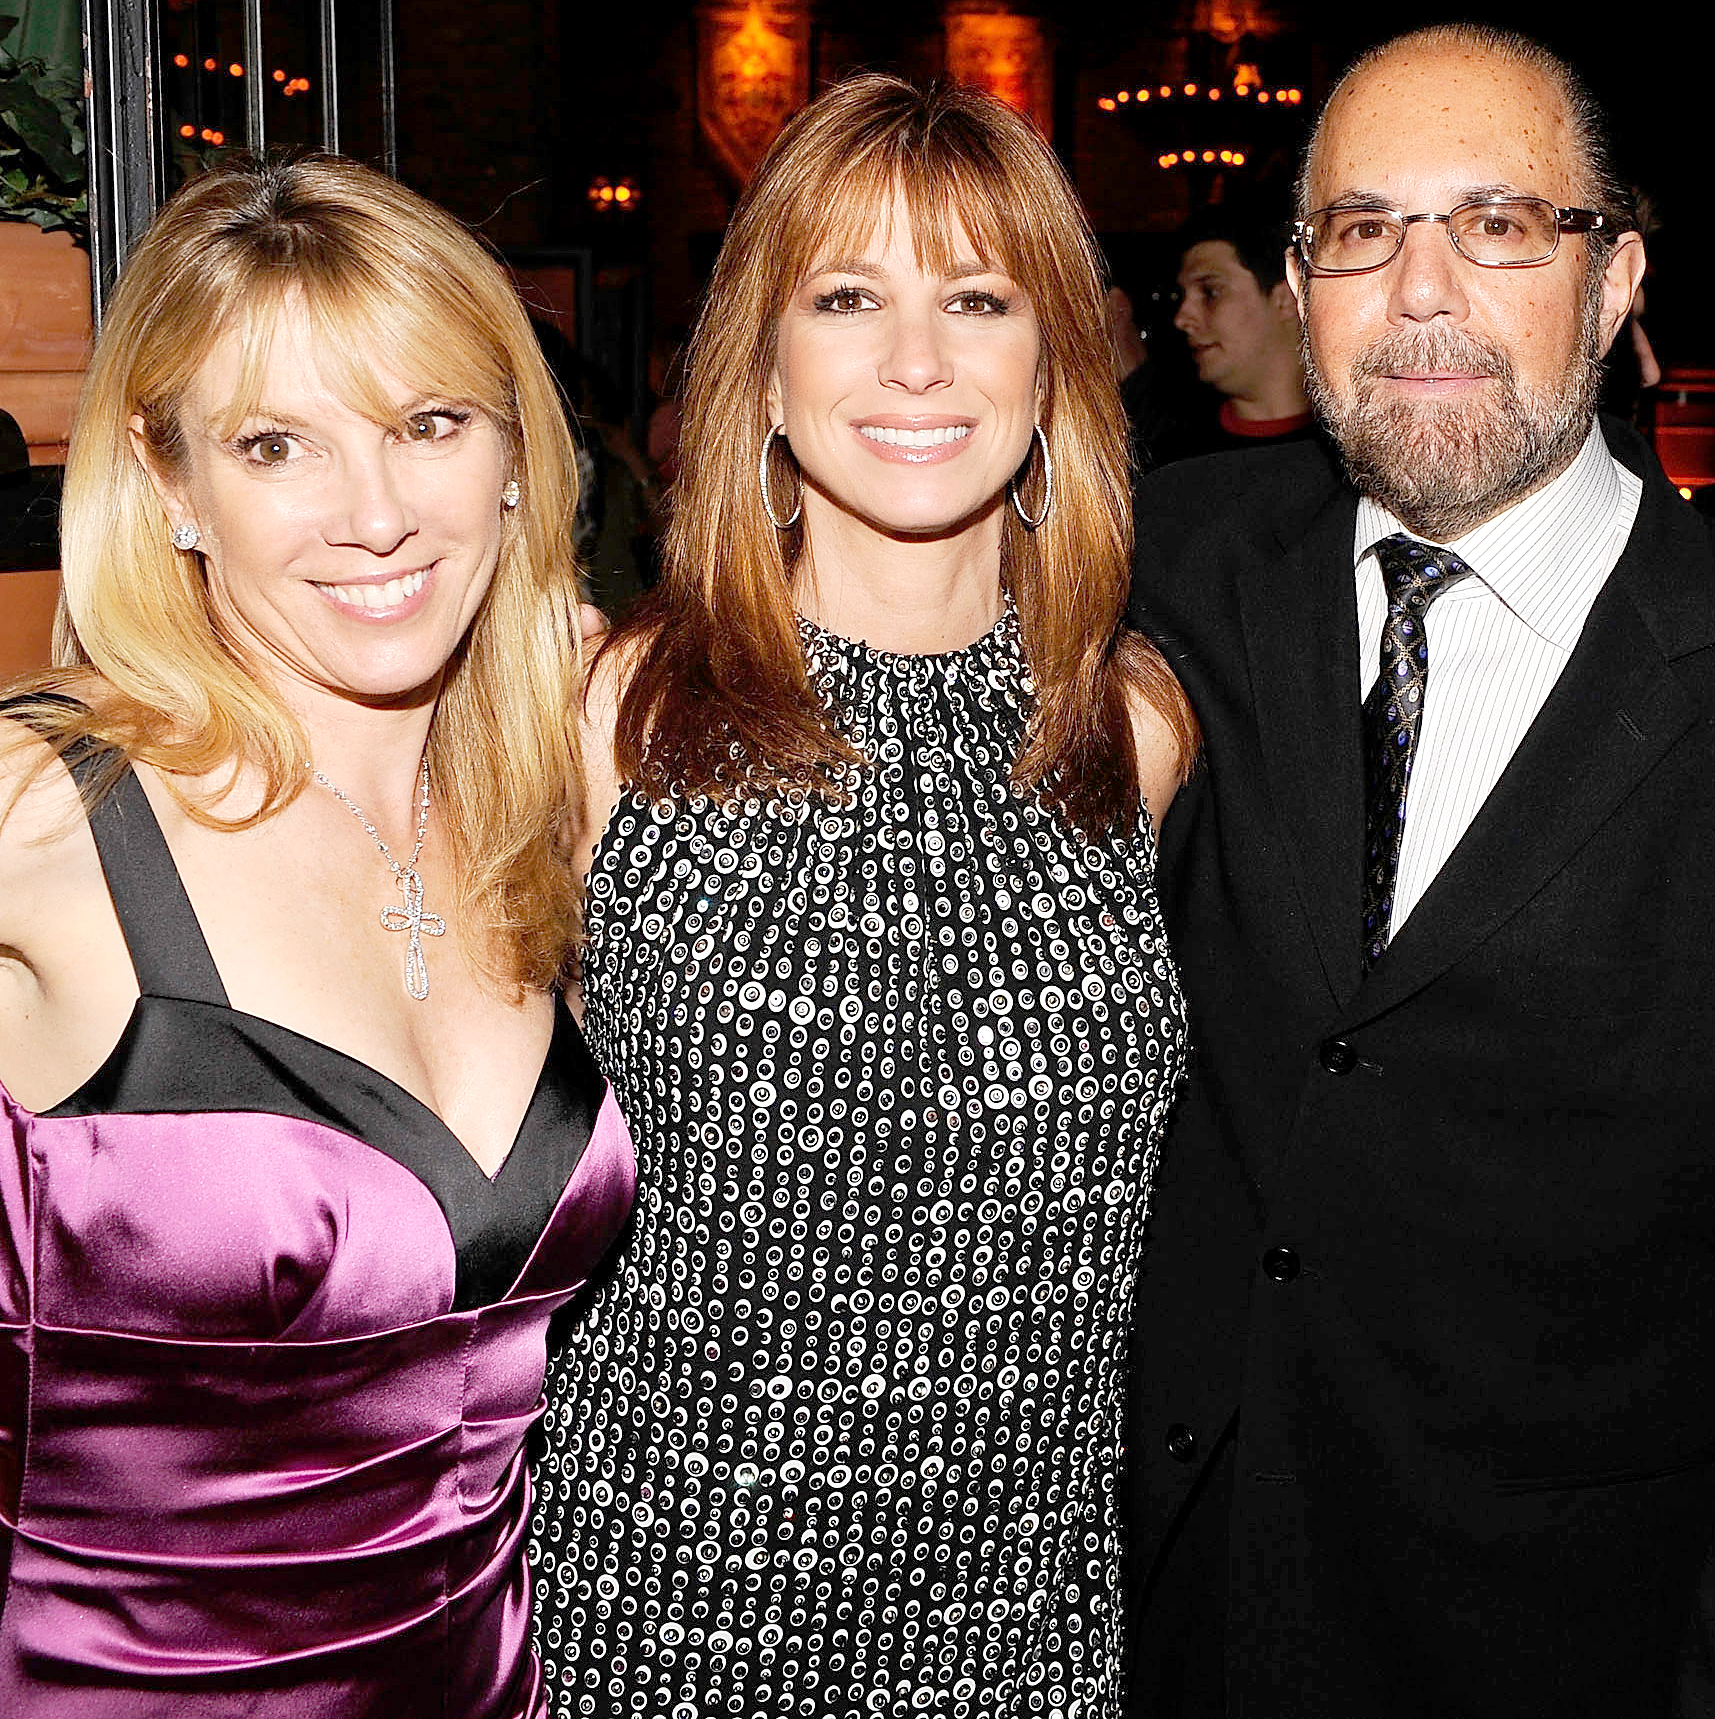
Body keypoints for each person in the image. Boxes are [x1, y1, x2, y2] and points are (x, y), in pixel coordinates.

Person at [531, 74, 1197, 1719]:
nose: (917, 359)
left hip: (1033, 1634)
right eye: (848, 298)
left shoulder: (1137, 730)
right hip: (654, 1619)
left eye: (979, 299)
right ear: (760, 365)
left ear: (1062, 362)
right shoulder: (615, 714)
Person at [1126, 23, 1715, 1717]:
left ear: (1615, 282)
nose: (1425, 289)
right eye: (1366, 232)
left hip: (1565, 1640)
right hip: (1158, 1604)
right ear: (1307, 289)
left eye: (1502, 224)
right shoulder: (1173, 559)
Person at [0, 155, 634, 1714]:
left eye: (429, 423)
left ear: (511, 456)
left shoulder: (556, 779)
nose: (372, 514)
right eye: (277, 443)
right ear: (169, 485)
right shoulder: (45, 813)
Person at [1148, 203, 1315, 467]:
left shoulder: (1357, 456)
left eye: (1210, 292)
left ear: (1286, 298)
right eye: (1183, 296)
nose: (1182, 319)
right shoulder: (1168, 466)